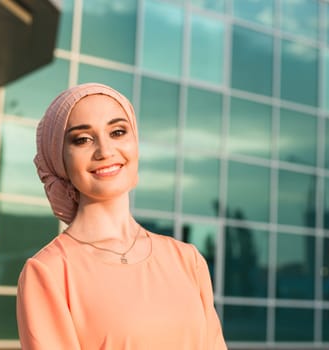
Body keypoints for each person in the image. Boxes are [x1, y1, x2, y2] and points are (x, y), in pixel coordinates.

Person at [16, 82, 227, 349]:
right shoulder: (50, 272)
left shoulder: (187, 260)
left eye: (117, 132)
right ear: (59, 159)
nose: (105, 151)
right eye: (82, 139)